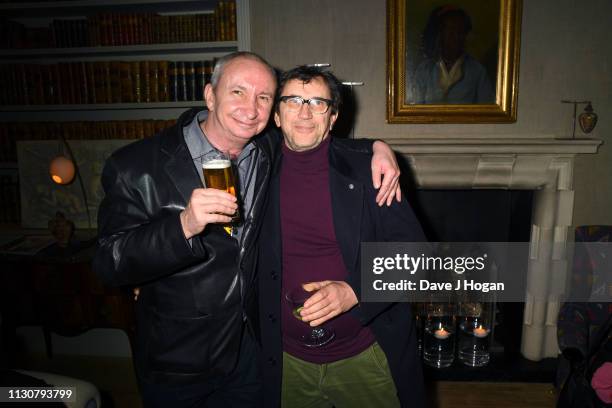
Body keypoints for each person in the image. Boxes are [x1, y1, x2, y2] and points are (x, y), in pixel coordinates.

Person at [93, 52, 402, 408]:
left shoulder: (268, 150)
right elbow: (107, 262)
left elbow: (318, 137)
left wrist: (379, 148)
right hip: (179, 361)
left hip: (254, 352)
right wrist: (183, 226)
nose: (250, 108)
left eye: (263, 97)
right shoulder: (135, 166)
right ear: (210, 95)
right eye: (238, 92)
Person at [258, 65, 427, 408]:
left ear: (332, 117)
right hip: (285, 363)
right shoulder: (255, 169)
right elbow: (214, 119)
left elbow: (415, 256)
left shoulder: (369, 172)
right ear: (276, 115)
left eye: (318, 103)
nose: (305, 112)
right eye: (292, 101)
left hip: (363, 357)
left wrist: (355, 291)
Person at [410, 5, 494, 104]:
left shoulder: (477, 72)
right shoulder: (424, 70)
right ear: (441, 34)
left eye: (461, 31)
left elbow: (486, 109)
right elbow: (415, 110)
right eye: (451, 30)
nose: (456, 36)